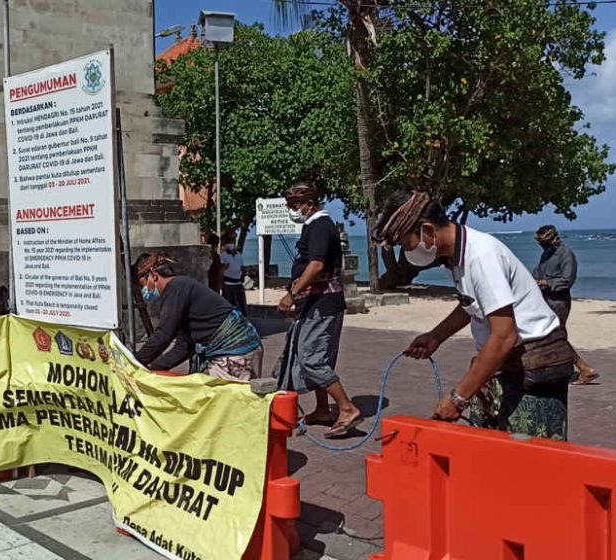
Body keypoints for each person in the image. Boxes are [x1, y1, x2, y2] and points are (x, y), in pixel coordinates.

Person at [375, 192, 575, 440]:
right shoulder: (456, 258)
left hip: (534, 367)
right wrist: (436, 336)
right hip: (506, 364)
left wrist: (458, 398)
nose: (407, 253)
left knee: (530, 461)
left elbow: (504, 336)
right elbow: (473, 304)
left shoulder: (481, 256)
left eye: (407, 245)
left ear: (428, 231)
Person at [275, 183, 360, 438]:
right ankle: (323, 409)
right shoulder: (313, 226)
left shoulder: (321, 226)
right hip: (313, 303)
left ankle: (346, 408)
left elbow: (316, 264)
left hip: (323, 303)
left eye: (294, 206)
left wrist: (293, 293)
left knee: (312, 357)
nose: (293, 211)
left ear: (308, 204)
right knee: (308, 354)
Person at [133, 252, 263, 381]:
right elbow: (183, 346)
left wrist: (133, 362)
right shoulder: (180, 288)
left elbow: (163, 335)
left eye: (142, 284)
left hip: (236, 350)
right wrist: (152, 367)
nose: (143, 290)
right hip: (241, 348)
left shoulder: (176, 288)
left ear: (153, 276)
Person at [532, 225, 598, 385]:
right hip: (544, 300)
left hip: (559, 301)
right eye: (541, 244)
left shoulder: (566, 254)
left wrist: (546, 283)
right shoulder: (545, 255)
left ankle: (584, 368)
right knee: (548, 335)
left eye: (545, 243)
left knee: (557, 337)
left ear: (554, 239)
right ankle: (565, 370)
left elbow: (567, 280)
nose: (543, 247)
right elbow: (536, 273)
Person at [219, 231, 247, 315]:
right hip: (228, 284)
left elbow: (243, 268)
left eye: (232, 241)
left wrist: (243, 274)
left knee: (241, 307)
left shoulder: (239, 255)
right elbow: (221, 271)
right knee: (229, 307)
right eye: (229, 241)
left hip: (238, 284)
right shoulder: (223, 255)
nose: (230, 243)